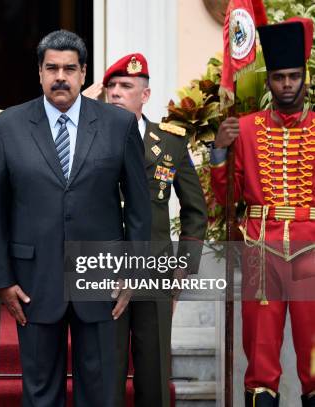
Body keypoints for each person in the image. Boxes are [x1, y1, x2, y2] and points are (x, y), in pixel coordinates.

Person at [0, 29, 151, 406]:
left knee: (103, 392)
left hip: (102, 278)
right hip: (32, 280)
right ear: (39, 73)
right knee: (40, 393)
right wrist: (2, 279)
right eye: (52, 68)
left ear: (83, 73)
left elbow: (139, 208)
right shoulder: (5, 128)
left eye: (70, 69)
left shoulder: (117, 125)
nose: (61, 77)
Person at [83, 53, 208, 407]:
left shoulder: (170, 142)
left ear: (145, 95)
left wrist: (184, 266)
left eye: (126, 87)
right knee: (107, 371)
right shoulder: (88, 139)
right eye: (111, 87)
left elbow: (195, 210)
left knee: (153, 370)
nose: (116, 93)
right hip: (103, 270)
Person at [211, 17, 315, 407]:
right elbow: (224, 195)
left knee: (314, 358)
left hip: (312, 252)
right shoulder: (247, 128)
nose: (286, 84)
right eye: (278, 77)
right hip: (259, 249)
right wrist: (220, 150)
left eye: (293, 76)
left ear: (304, 77)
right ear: (269, 80)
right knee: (261, 359)